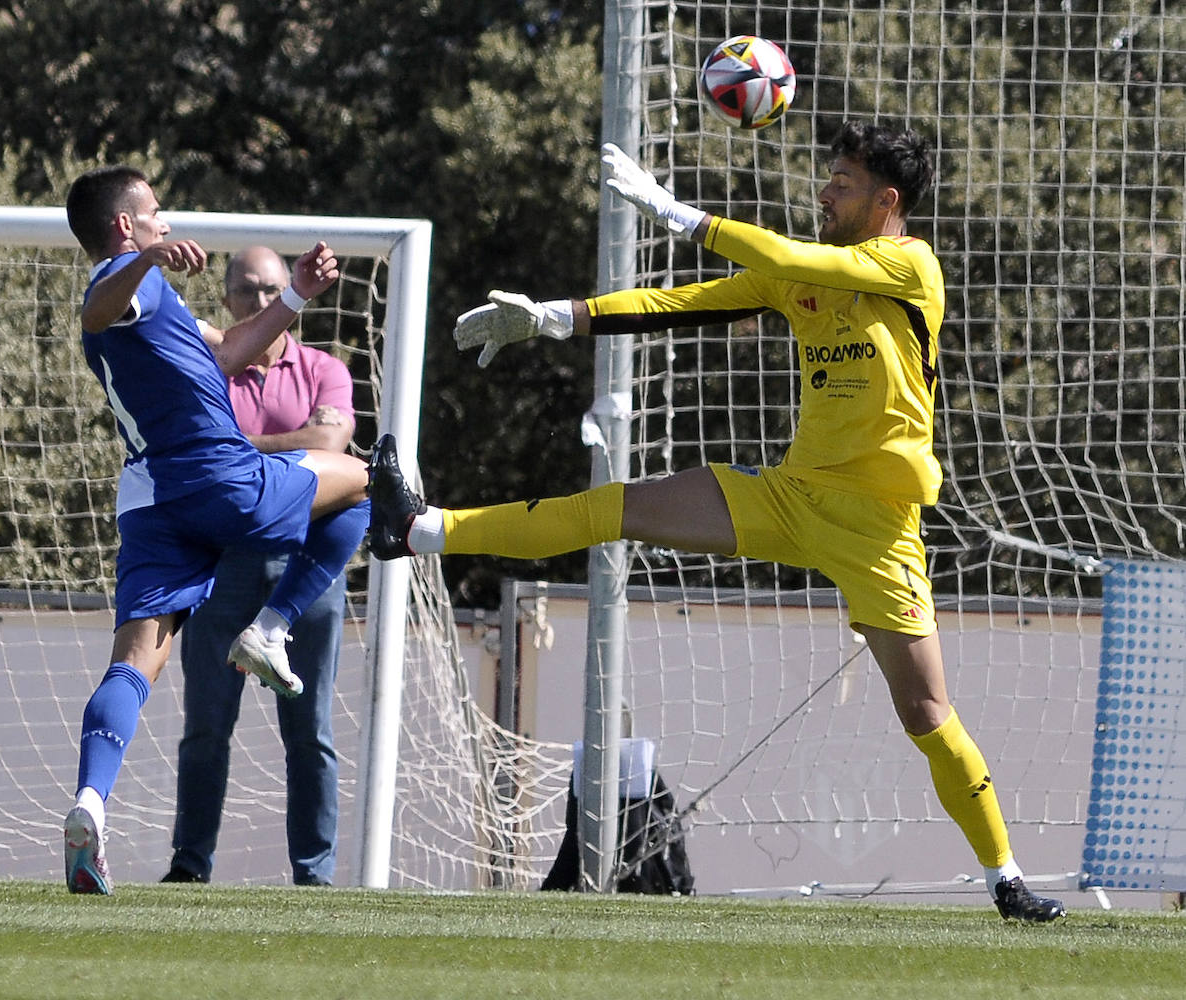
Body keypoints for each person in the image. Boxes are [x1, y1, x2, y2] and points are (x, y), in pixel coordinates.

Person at [368, 122, 1066, 922]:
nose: (825, 191)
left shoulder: (910, 265)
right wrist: (555, 318)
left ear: (887, 201)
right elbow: (674, 305)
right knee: (615, 509)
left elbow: (795, 260)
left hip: (878, 530)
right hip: (789, 496)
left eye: (841, 181)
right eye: (828, 177)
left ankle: (1006, 879)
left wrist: (679, 215)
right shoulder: (795, 274)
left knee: (927, 715)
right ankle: (420, 528)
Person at [62, 166, 370, 895]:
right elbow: (98, 308)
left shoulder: (152, 294)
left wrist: (297, 295)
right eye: (156, 214)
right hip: (215, 479)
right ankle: (272, 627)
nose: (166, 223)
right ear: (124, 225)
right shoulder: (122, 282)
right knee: (364, 482)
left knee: (135, 664)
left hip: (152, 500)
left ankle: (88, 805)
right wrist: (143, 258)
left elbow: (230, 350)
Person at [161, 247, 352, 887]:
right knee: (205, 730)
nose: (263, 302)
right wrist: (289, 449)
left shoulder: (325, 368)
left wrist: (242, 452)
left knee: (311, 734)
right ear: (227, 301)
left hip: (307, 570)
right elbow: (203, 449)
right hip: (224, 567)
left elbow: (332, 445)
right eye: (248, 292)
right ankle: (189, 868)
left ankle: (315, 877)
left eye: (273, 290)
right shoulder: (209, 369)